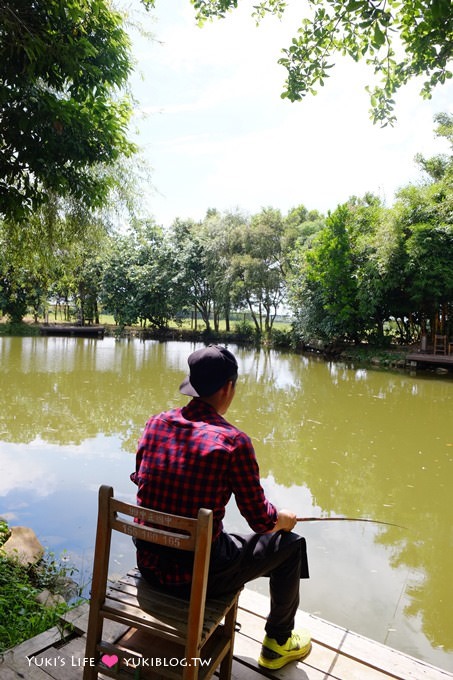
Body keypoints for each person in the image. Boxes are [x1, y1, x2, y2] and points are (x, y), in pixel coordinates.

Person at [130, 344, 310, 670]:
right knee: (292, 547)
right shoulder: (232, 443)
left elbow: (140, 480)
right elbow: (260, 521)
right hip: (196, 579)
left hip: (149, 565)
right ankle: (278, 643)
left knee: (221, 539)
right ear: (228, 388)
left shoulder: (154, 424)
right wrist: (282, 519)